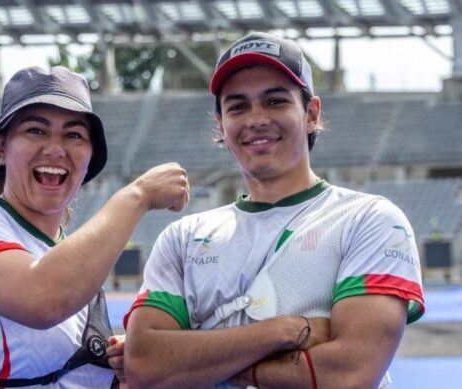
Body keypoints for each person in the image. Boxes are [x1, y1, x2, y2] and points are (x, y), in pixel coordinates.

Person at [123, 31, 425, 389]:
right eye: (237, 106)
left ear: (311, 114)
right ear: (221, 125)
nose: (256, 119)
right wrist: (281, 333)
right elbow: (144, 365)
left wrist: (200, 355)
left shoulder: (369, 220)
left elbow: (347, 376)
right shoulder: (184, 237)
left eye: (276, 101)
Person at [0, 65, 189, 388]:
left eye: (73, 135)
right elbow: (43, 300)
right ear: (1, 148)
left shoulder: (70, 259)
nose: (56, 149)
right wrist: (136, 196)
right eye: (36, 131)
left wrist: (111, 361)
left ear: (89, 159)